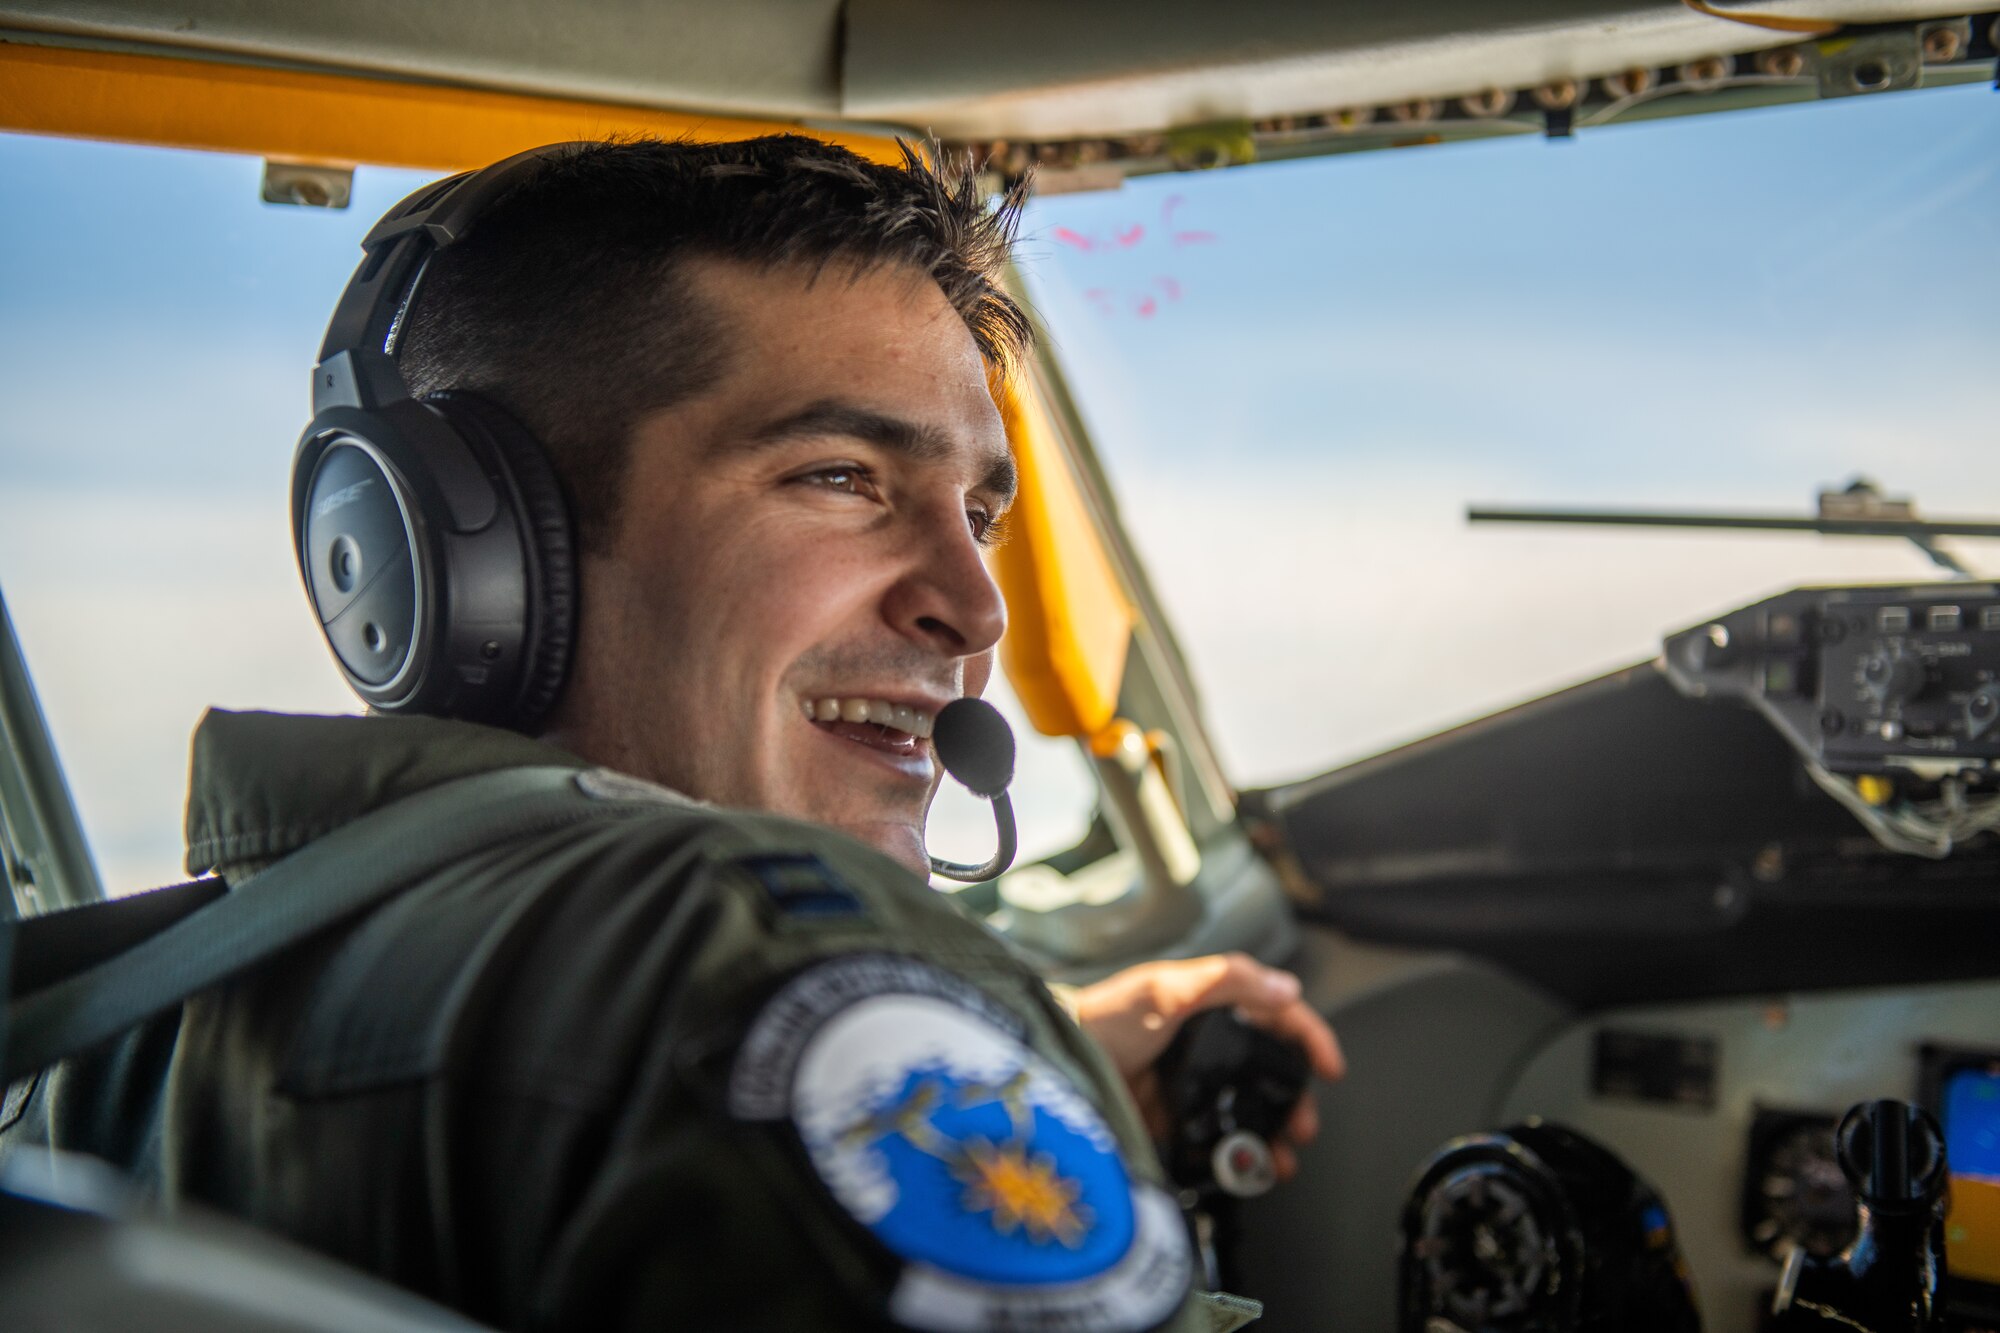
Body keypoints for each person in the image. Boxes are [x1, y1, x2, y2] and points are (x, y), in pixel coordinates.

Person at [0, 135, 1341, 1331]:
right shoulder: (758, 963)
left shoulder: (131, 1024)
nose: (972, 604)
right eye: (840, 477)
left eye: (977, 511)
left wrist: (1005, 1069)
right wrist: (878, 1031)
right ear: (478, 555)